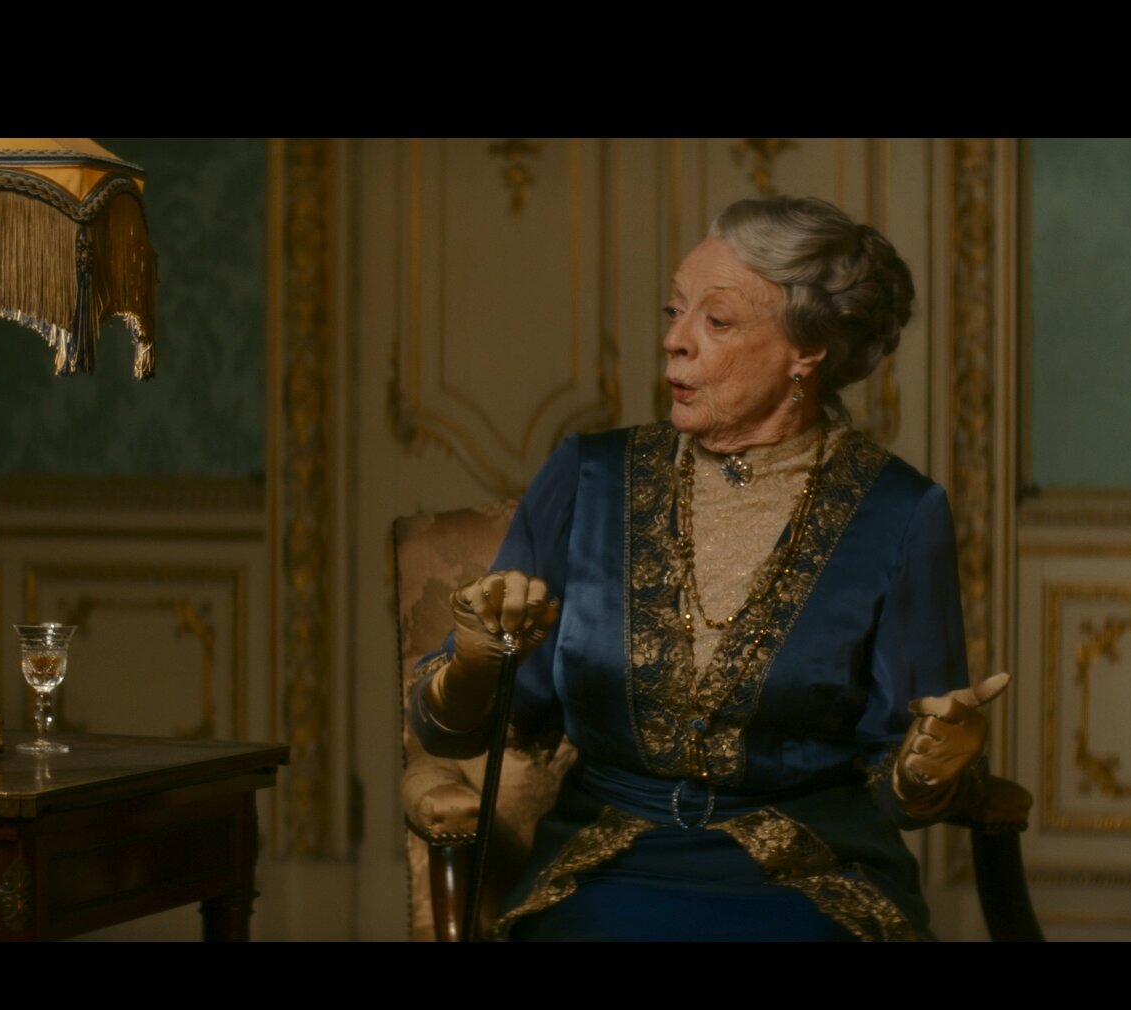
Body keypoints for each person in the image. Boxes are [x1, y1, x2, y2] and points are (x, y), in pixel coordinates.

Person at [409, 195, 1022, 941]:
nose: (675, 341)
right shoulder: (587, 478)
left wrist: (927, 772)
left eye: (717, 320)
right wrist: (475, 664)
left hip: (811, 872)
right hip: (603, 865)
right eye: (675, 311)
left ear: (806, 350)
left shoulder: (899, 512)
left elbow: (901, 776)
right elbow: (460, 731)